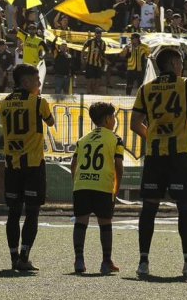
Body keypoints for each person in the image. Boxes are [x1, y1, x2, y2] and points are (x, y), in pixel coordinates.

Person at [130, 48, 187, 277]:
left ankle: (143, 262)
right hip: (180, 156)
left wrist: (153, 137)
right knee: (184, 208)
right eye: (180, 61)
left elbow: (134, 123)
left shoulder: (145, 88)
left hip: (155, 156)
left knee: (149, 208)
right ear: (174, 62)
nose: (182, 65)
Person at [0, 63, 55, 271]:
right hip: (32, 166)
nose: (39, 84)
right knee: (32, 211)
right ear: (25, 82)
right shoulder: (39, 102)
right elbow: (50, 122)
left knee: (13, 213)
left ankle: (13, 258)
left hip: (11, 166)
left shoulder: (3, 103)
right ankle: (24, 257)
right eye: (36, 80)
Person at [70, 101, 124, 275]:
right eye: (113, 117)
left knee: (80, 222)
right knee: (105, 223)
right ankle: (106, 261)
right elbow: (119, 166)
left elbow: (73, 164)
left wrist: (77, 182)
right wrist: (116, 188)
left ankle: (79, 260)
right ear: (108, 118)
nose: (115, 121)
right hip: (102, 186)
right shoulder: (115, 139)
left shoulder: (83, 139)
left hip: (82, 185)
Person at [82, 28, 107, 95]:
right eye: (97, 33)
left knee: (98, 79)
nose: (98, 34)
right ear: (95, 34)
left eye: (100, 33)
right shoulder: (90, 41)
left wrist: (105, 62)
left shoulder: (103, 43)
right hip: (90, 63)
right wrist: (82, 58)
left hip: (98, 63)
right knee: (90, 79)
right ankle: (89, 92)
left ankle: (95, 93)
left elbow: (103, 54)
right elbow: (83, 49)